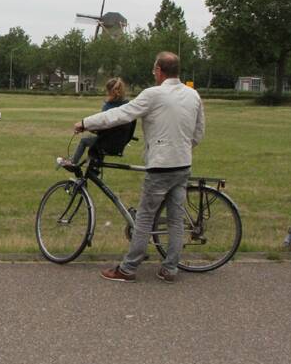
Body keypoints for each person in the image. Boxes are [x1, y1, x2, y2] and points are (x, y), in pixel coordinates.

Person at [74, 51, 204, 284]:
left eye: (155, 70)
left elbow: (120, 115)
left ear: (159, 71)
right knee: (175, 220)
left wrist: (86, 123)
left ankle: (128, 268)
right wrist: (182, 148)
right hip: (183, 164)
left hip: (161, 165)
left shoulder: (153, 94)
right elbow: (198, 132)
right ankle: (170, 269)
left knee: (144, 217)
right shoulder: (193, 95)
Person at [62, 77, 128, 167]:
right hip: (119, 142)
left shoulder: (108, 106)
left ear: (108, 90)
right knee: (96, 142)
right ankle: (93, 168)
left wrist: (84, 127)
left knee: (84, 140)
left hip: (108, 142)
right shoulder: (127, 104)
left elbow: (101, 125)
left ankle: (73, 162)